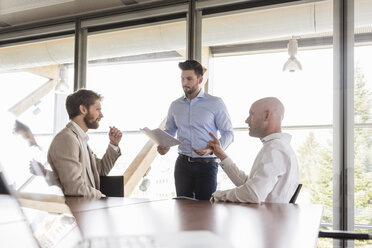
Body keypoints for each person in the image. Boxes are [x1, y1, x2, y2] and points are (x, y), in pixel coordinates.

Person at [157, 60, 234, 200]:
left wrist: (214, 149)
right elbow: (170, 130)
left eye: (189, 79)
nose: (184, 83)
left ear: (200, 79)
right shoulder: (175, 105)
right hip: (182, 165)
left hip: (207, 165)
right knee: (182, 208)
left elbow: (229, 133)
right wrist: (164, 145)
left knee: (205, 210)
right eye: (182, 78)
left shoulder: (215, 103)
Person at [207, 97, 299, 203]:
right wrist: (221, 155)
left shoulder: (275, 150)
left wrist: (220, 195)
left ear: (266, 116)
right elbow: (249, 186)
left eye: (251, 114)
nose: (246, 120)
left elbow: (253, 194)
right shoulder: (276, 147)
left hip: (266, 218)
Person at [47, 89, 122, 198]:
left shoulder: (80, 139)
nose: (101, 115)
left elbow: (101, 169)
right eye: (97, 109)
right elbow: (74, 188)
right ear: (83, 109)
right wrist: (102, 197)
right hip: (78, 211)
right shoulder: (66, 139)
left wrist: (113, 144)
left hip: (87, 208)